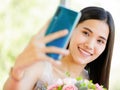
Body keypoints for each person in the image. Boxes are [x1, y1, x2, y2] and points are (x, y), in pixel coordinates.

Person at [3, 6, 115, 90]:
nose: (90, 45)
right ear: (72, 30)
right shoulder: (41, 67)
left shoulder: (93, 84)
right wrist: (17, 71)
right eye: (86, 33)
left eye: (100, 41)